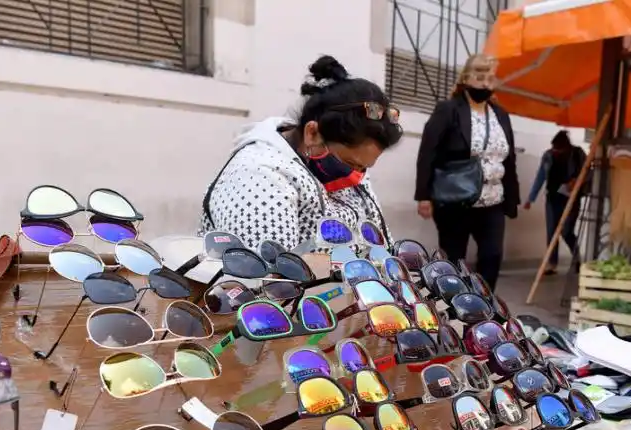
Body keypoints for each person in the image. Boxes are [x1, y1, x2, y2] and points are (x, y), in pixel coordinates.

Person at [198, 55, 402, 251]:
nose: (356, 177)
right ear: (312, 133)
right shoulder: (258, 177)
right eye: (350, 163)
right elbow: (271, 279)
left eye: (363, 168)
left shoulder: (351, 172)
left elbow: (385, 247)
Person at [414, 54, 520, 289]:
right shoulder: (448, 110)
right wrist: (423, 195)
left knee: (492, 257)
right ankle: (456, 306)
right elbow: (428, 152)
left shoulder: (500, 114)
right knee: (454, 260)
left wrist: (512, 198)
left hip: (493, 201)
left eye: (490, 78)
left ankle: (485, 307)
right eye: (479, 77)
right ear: (466, 79)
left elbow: (509, 158)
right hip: (455, 198)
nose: (484, 83)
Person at [524, 130, 587, 274]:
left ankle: (577, 259)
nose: (556, 152)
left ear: (566, 147)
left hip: (571, 198)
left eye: (559, 150)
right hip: (553, 198)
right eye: (554, 149)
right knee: (552, 233)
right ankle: (552, 264)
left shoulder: (577, 154)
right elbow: (540, 176)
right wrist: (530, 198)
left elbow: (587, 170)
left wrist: (576, 180)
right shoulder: (548, 155)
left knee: (566, 231)